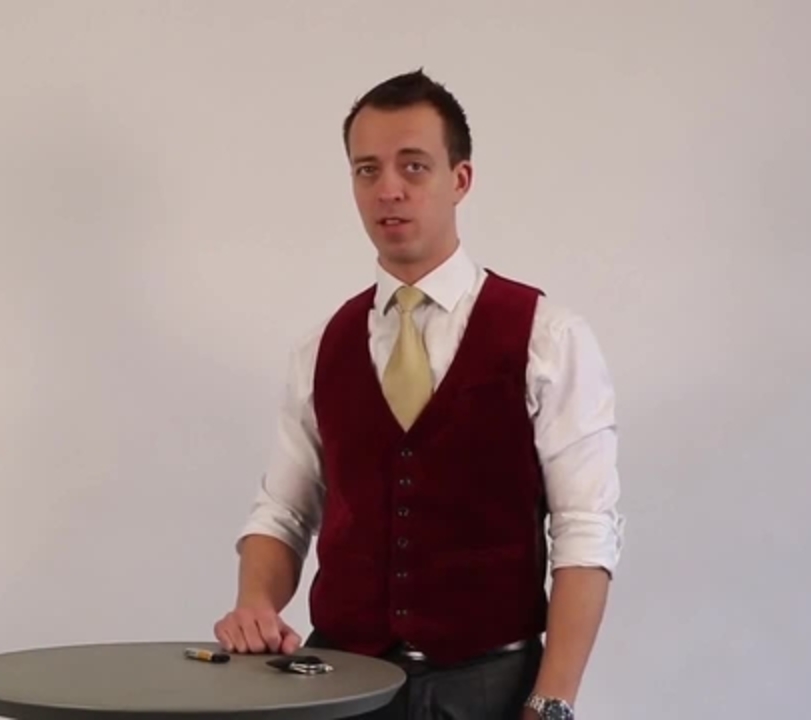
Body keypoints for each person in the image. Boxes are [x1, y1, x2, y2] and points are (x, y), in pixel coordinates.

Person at [213, 69, 624, 720]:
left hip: (490, 686)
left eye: (413, 166)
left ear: (460, 179)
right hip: (339, 683)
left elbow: (585, 534)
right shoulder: (321, 348)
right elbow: (283, 513)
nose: (389, 190)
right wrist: (256, 603)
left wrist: (550, 704)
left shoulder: (548, 338)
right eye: (367, 170)